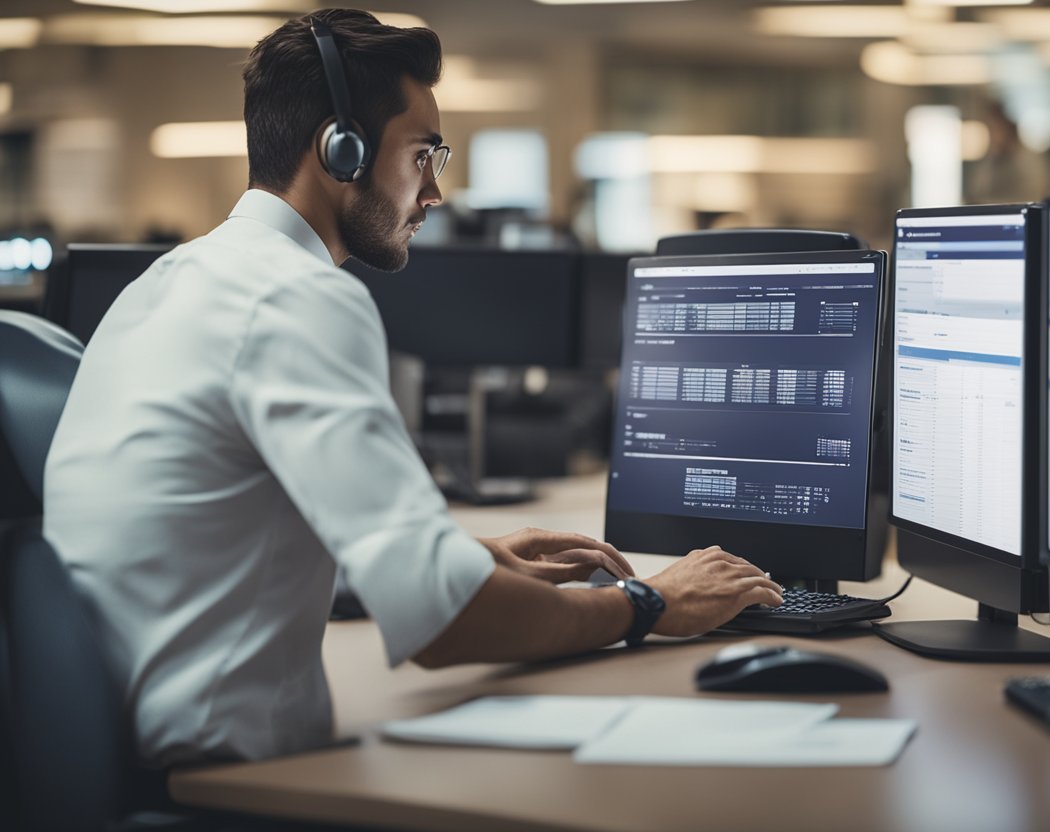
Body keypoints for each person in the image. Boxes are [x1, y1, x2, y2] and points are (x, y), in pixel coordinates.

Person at [43, 8, 782, 768]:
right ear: (342, 149)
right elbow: (443, 623)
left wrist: (465, 558)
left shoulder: (166, 285)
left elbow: (211, 538)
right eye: (424, 155)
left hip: (105, 757)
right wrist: (650, 605)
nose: (434, 193)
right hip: (218, 782)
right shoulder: (297, 297)